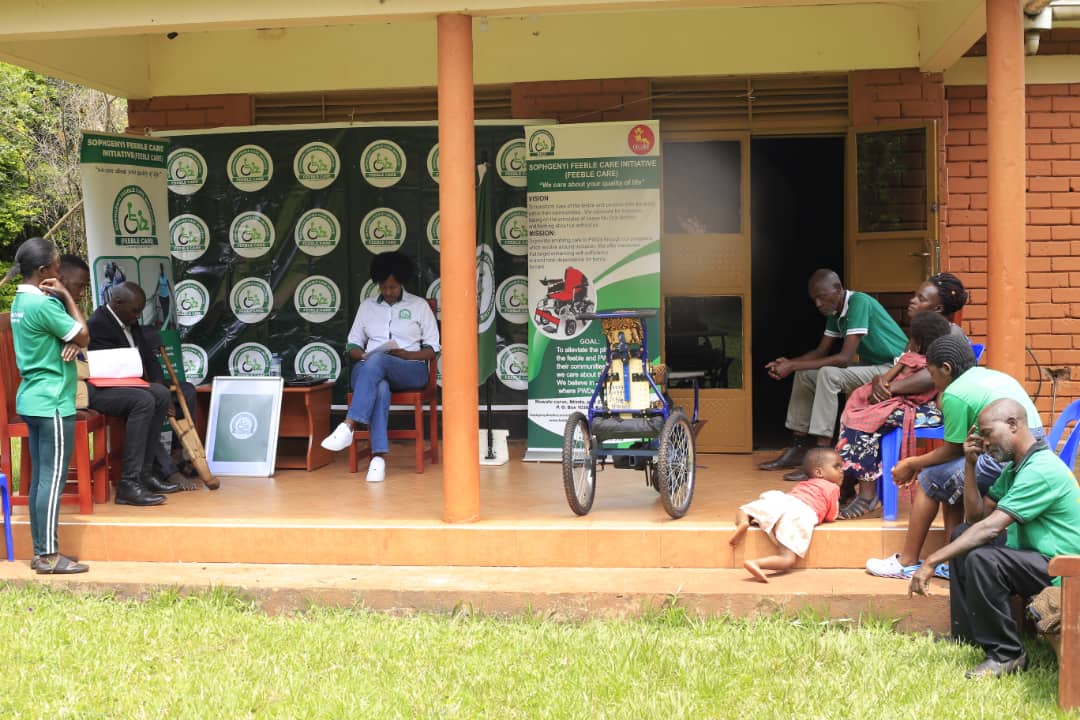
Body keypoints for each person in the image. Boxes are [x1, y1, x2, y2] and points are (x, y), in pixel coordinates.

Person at [908, 398, 1080, 679]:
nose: (985, 443)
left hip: (1065, 568)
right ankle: (968, 635)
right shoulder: (1016, 468)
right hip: (1040, 558)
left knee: (984, 558)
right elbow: (977, 518)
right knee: (963, 536)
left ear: (1013, 425)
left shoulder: (1041, 470)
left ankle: (1007, 654)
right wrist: (969, 465)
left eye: (988, 434)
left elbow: (990, 528)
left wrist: (931, 560)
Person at [865, 336, 1046, 579]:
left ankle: (907, 562)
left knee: (930, 479)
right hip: (1034, 446)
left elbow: (953, 449)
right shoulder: (990, 375)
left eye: (932, 374)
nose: (932, 381)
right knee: (949, 476)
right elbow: (958, 453)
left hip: (1006, 454)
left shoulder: (955, 393)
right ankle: (952, 564)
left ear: (946, 368)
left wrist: (911, 463)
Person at [760, 269, 908, 481]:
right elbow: (821, 351)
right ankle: (798, 447)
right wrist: (791, 364)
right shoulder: (835, 312)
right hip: (874, 366)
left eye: (822, 296)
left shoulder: (859, 302)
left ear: (838, 289)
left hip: (894, 370)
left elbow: (844, 358)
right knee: (805, 374)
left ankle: (822, 455)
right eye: (814, 299)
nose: (818, 303)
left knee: (829, 374)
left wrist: (792, 366)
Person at [6, 237, 90, 574]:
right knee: (52, 480)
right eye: (57, 268)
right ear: (43, 271)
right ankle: (48, 556)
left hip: (32, 398)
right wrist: (67, 296)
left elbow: (66, 338)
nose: (60, 274)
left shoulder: (20, 301)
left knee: (42, 479)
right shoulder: (45, 305)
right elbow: (83, 335)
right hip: (52, 401)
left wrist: (66, 341)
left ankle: (42, 552)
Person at [320, 252, 440, 483]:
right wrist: (364, 355)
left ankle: (349, 425)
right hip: (370, 368)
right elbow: (352, 345)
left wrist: (406, 354)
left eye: (392, 287)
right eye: (383, 287)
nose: (388, 292)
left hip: (409, 369)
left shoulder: (419, 306)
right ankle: (378, 459)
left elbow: (432, 349)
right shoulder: (367, 307)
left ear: (402, 282)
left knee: (377, 364)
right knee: (380, 386)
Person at [835, 311, 954, 519]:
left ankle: (867, 494)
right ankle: (849, 481)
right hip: (904, 404)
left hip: (931, 412)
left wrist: (881, 387)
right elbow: (885, 381)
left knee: (864, 421)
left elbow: (893, 389)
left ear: (917, 343)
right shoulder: (913, 359)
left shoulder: (933, 366)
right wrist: (877, 381)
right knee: (859, 418)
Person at [86, 281, 180, 506]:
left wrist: (158, 384)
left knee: (160, 394)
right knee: (144, 399)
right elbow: (106, 369)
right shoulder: (98, 324)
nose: (138, 316)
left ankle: (145, 475)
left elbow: (148, 357)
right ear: (117, 302)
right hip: (100, 389)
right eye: (135, 311)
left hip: (126, 384)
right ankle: (128, 484)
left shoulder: (129, 319)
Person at [730, 447, 843, 583]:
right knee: (787, 559)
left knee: (746, 509)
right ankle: (756, 563)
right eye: (837, 467)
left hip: (783, 501)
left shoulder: (804, 484)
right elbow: (831, 515)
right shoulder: (833, 488)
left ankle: (744, 521)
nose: (842, 471)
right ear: (819, 472)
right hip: (800, 514)